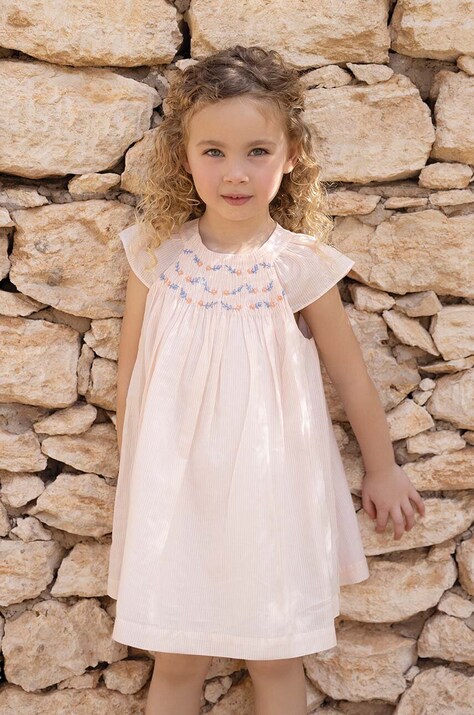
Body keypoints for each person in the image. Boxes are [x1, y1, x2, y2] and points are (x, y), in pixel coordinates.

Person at [107, 45, 426, 715]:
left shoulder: (299, 265)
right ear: (184, 157)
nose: (236, 172)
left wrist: (382, 468)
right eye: (214, 151)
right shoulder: (156, 256)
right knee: (177, 658)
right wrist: (141, 480)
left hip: (272, 492)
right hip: (177, 493)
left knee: (276, 658)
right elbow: (131, 377)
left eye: (257, 151)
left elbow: (352, 377)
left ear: (291, 156)